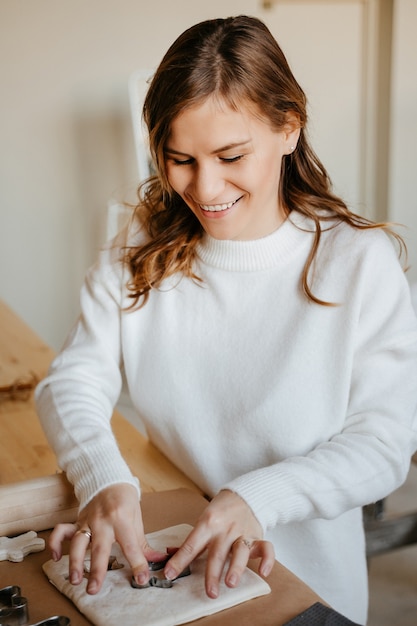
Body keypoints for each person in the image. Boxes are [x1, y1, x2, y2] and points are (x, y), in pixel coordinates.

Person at [35, 15, 417, 625]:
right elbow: (71, 380)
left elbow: (384, 445)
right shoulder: (139, 243)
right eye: (179, 158)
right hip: (168, 570)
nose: (204, 187)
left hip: (301, 591)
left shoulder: (356, 263)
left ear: (289, 128)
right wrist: (104, 479)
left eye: (230, 155)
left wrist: (254, 497)